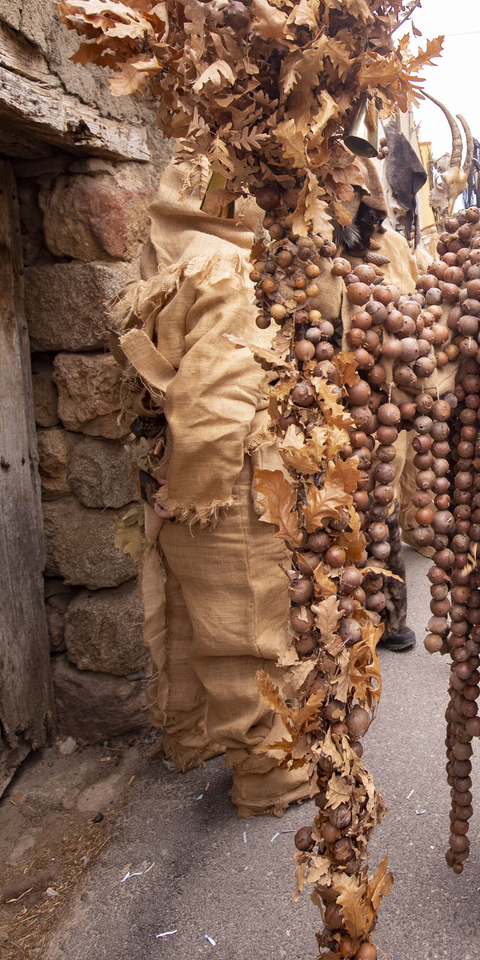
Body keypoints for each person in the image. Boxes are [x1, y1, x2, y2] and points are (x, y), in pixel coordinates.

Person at [118, 157, 316, 817]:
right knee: (248, 629)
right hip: (231, 479)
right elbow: (215, 391)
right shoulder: (225, 264)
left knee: (208, 620)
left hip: (205, 468)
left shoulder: (186, 256)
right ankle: (271, 778)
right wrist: (194, 484)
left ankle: (210, 742)